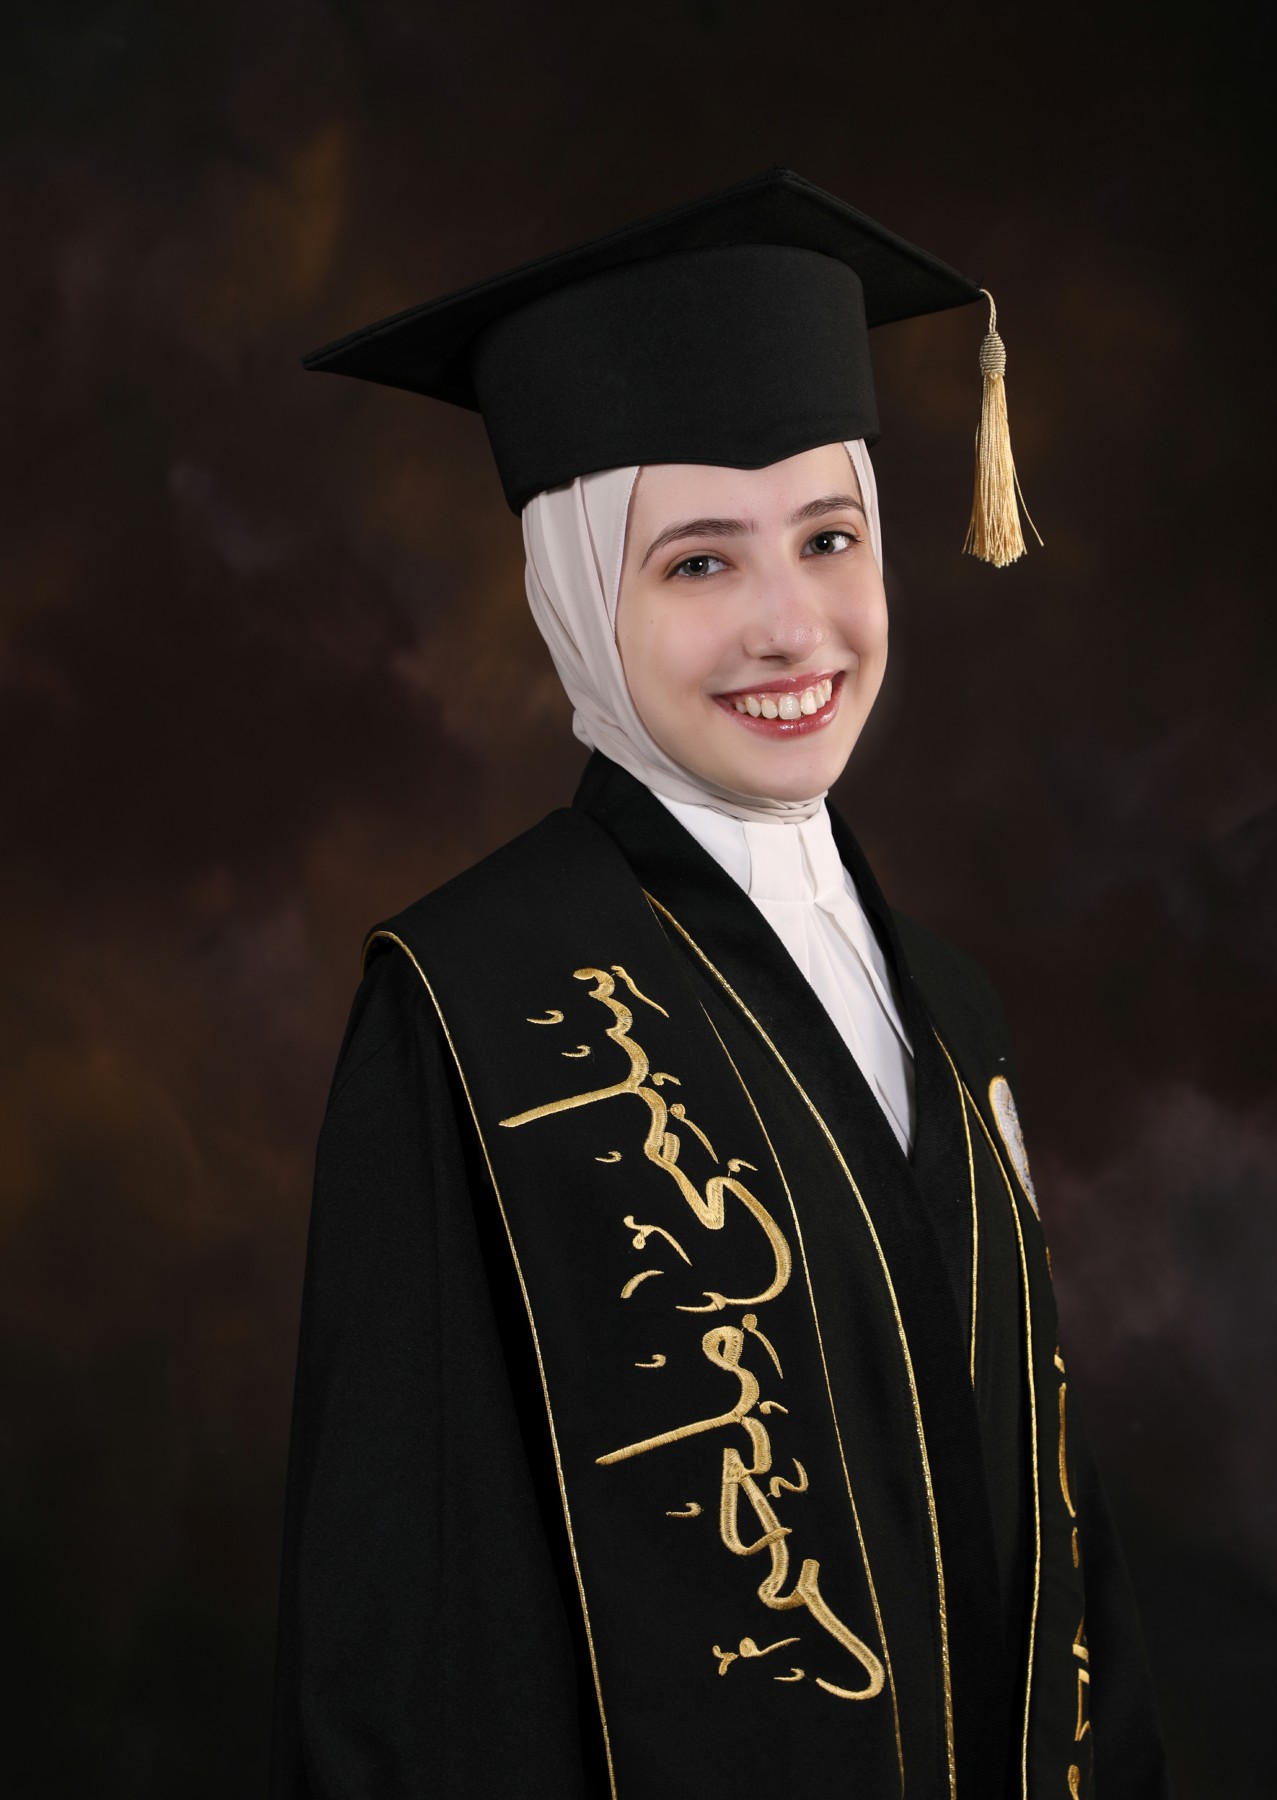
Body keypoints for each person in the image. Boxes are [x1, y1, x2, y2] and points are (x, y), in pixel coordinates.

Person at [269, 170, 1169, 1799]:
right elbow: (407, 1625)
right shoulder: (469, 1005)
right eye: (696, 565)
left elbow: (1056, 1533)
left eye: (828, 539)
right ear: (573, 596)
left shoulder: (949, 1006)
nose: (789, 628)